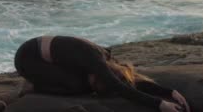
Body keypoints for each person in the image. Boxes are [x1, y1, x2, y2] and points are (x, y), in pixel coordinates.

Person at [14, 35, 190, 112]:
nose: (92, 85)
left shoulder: (107, 60)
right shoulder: (95, 60)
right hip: (28, 57)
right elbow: (118, 87)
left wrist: (169, 92)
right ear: (100, 74)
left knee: (82, 85)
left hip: (48, 57)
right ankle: (33, 85)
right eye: (96, 84)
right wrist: (160, 104)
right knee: (78, 86)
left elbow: (129, 81)